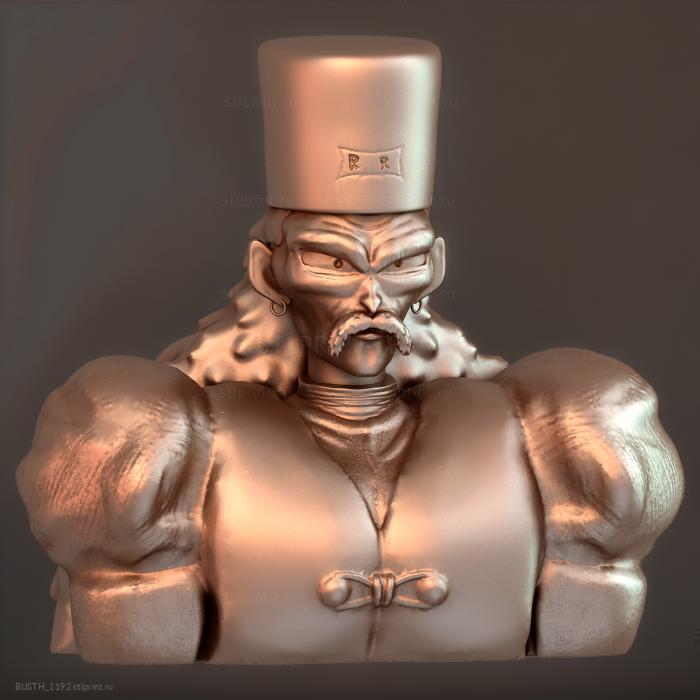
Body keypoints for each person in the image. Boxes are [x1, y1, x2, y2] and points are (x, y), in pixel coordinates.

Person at [16, 36, 683, 665]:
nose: (372, 297)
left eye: (402, 263)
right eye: (332, 263)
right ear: (268, 271)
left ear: (436, 267)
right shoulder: (168, 447)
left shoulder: (551, 434)